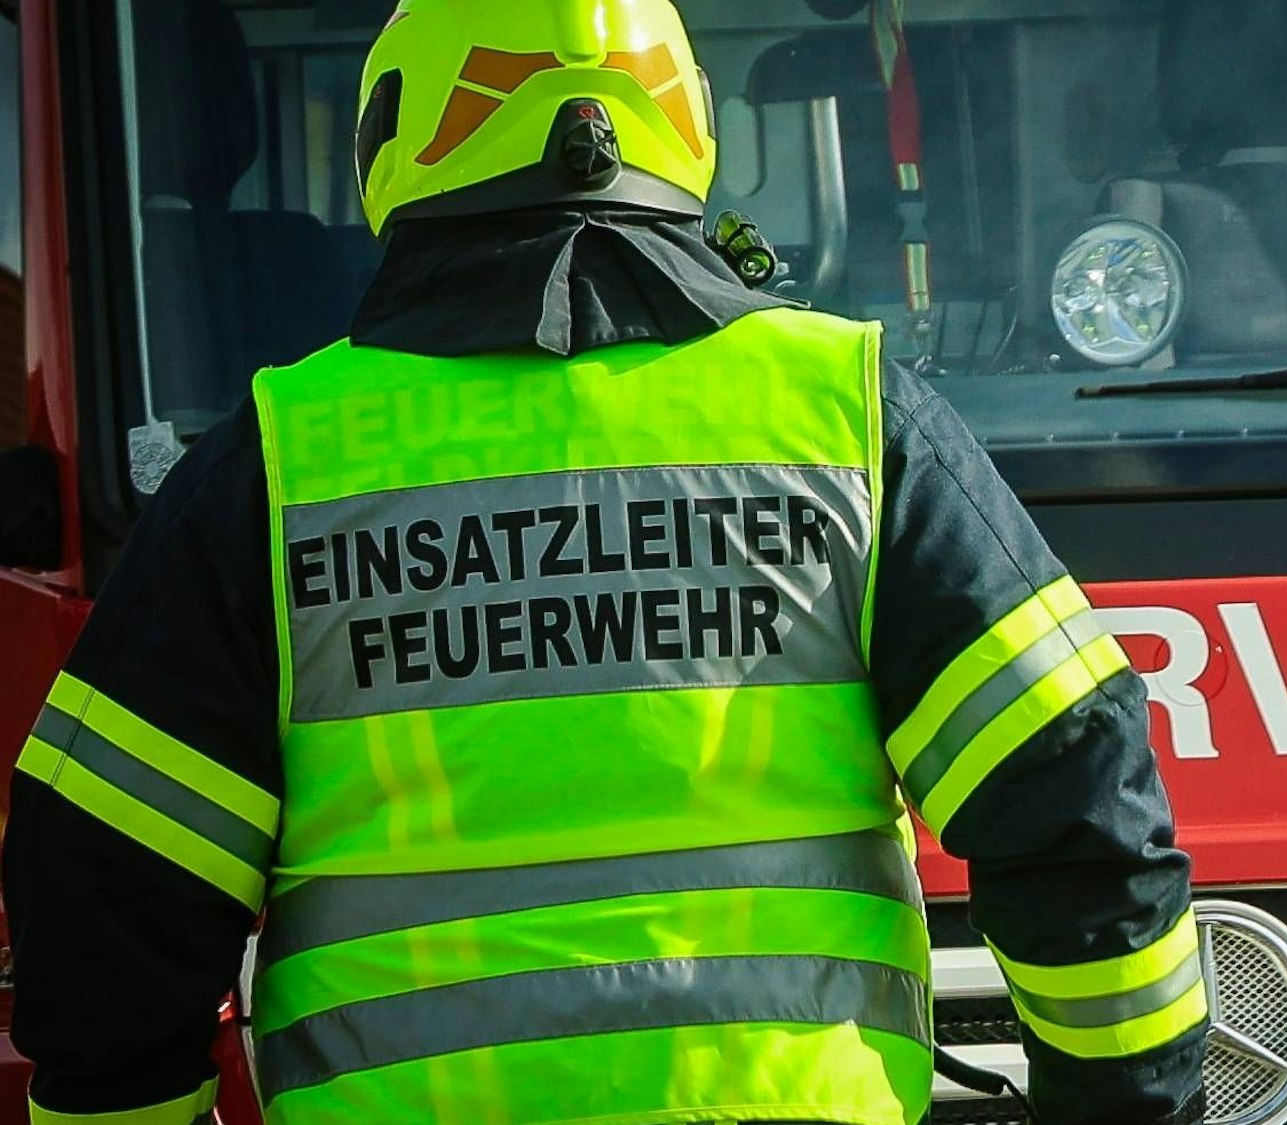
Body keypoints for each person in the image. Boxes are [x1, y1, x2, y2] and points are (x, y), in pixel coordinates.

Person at [1, 2, 1208, 1123]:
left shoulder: (276, 463)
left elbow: (104, 886)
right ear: (681, 118)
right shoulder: (846, 415)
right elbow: (1073, 786)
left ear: (396, 135)